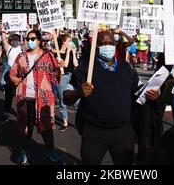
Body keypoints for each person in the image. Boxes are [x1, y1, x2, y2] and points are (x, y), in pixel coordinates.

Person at [64, 31, 155, 165]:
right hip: (94, 132)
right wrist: (78, 93)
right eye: (103, 44)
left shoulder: (127, 68)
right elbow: (66, 96)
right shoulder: (85, 68)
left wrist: (152, 94)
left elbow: (140, 91)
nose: (107, 46)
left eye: (110, 43)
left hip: (123, 132)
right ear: (97, 46)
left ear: (115, 44)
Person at [9, 30, 61, 164]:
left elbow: (56, 76)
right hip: (25, 97)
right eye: (27, 38)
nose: (29, 41)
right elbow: (12, 73)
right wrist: (15, 80)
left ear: (39, 40)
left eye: (32, 38)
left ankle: (51, 151)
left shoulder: (48, 56)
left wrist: (59, 69)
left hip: (43, 99)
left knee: (46, 127)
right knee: (26, 128)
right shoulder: (21, 56)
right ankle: (24, 151)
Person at [0, 32, 23, 124]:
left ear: (19, 41)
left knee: (21, 97)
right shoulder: (9, 49)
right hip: (10, 75)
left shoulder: (22, 49)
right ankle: (6, 114)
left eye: (17, 40)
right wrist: (3, 32)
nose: (15, 42)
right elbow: (4, 41)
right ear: (11, 41)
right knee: (8, 97)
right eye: (13, 40)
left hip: (20, 76)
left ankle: (22, 115)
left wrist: (27, 28)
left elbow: (27, 42)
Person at [56, 33, 79, 131]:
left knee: (76, 100)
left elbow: (75, 64)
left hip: (72, 76)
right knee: (62, 99)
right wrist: (68, 51)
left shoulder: (71, 52)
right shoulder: (57, 53)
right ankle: (65, 122)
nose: (70, 43)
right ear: (63, 42)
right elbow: (64, 64)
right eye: (68, 41)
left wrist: (73, 52)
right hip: (62, 77)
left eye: (71, 41)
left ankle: (80, 121)